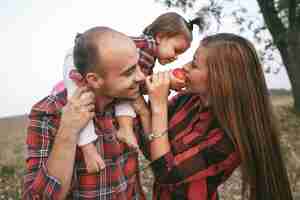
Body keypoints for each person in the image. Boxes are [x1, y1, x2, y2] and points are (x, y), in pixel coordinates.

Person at [134, 33, 293, 199]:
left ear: (219, 80)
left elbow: (166, 173)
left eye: (194, 65)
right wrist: (144, 108)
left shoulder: (227, 139)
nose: (186, 67)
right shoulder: (186, 99)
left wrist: (159, 107)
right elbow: (152, 149)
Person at [51, 12, 205, 173]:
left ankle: (125, 128)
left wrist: (162, 86)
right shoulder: (143, 46)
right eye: (176, 50)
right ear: (160, 37)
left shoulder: (149, 56)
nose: (176, 57)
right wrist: (163, 82)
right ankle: (89, 146)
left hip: (103, 76)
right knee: (83, 105)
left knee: (127, 92)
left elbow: (133, 84)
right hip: (78, 61)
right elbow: (120, 66)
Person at [23, 27, 148, 200]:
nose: (141, 77)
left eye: (138, 66)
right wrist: (68, 131)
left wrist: (147, 111)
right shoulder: (48, 112)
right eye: (129, 72)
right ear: (94, 79)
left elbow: (157, 158)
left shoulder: (128, 103)